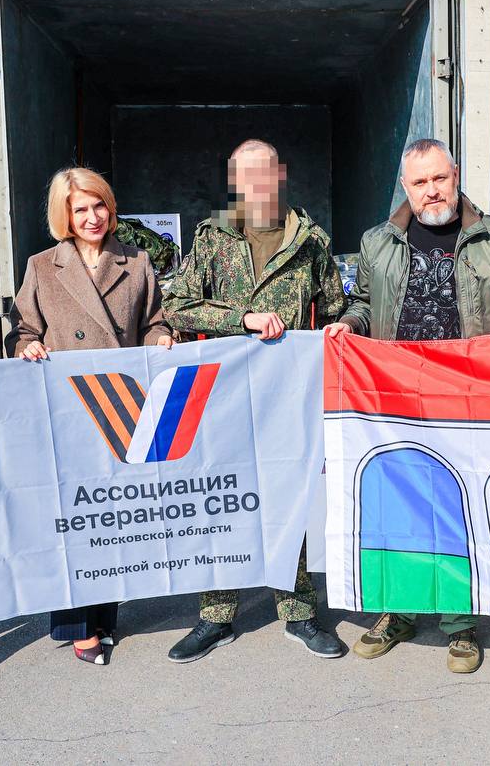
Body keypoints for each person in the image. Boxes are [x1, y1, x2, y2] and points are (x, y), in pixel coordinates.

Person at [326, 137, 490, 673]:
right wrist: (348, 324)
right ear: (406, 186)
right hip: (394, 400)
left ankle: (459, 622)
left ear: (456, 175)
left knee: (458, 509)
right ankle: (398, 612)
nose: (431, 191)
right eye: (420, 182)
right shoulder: (377, 241)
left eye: (439, 178)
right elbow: (362, 302)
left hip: (469, 401)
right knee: (397, 507)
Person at [161, 138, 347, 662]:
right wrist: (240, 320)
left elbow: (337, 308)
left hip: (289, 398)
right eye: (246, 176)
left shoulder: (310, 241)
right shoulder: (213, 238)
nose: (257, 185)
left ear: (279, 175)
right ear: (235, 182)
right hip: (223, 398)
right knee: (221, 499)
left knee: (290, 501)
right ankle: (216, 615)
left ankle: (299, 611)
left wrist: (342, 329)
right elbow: (175, 305)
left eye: (265, 173)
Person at [7, 167, 173, 665]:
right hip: (70, 411)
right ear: (65, 214)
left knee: (113, 517)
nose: (93, 216)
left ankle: (105, 618)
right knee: (76, 519)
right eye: (80, 208)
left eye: (99, 205)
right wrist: (27, 345)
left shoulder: (137, 262)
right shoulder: (42, 266)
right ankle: (79, 626)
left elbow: (154, 320)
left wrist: (161, 338)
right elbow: (22, 328)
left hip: (123, 406)